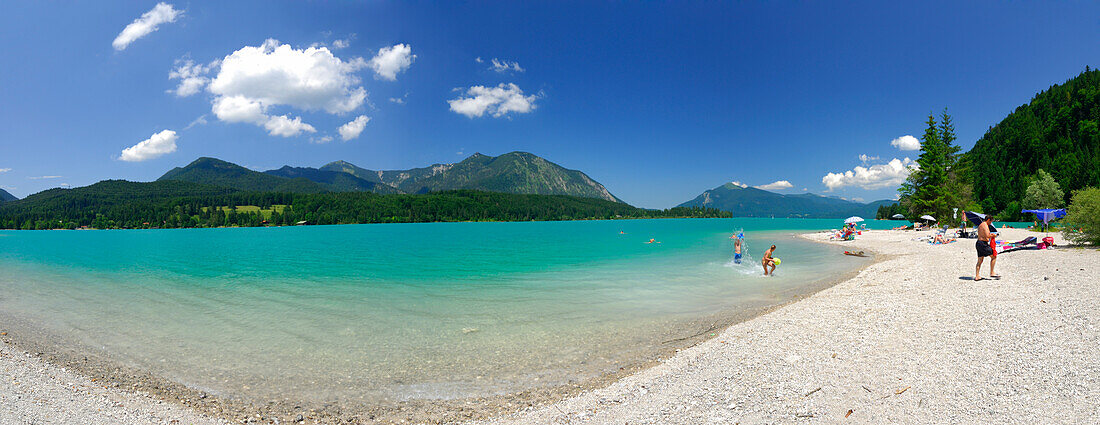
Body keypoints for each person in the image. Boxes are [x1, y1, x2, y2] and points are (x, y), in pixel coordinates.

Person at [975, 215, 999, 281]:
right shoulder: (985, 225)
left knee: (980, 260)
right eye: (991, 221)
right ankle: (992, 272)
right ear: (988, 220)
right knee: (994, 256)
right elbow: (987, 235)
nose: (991, 223)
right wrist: (993, 235)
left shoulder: (981, 225)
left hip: (979, 243)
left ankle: (977, 276)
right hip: (983, 244)